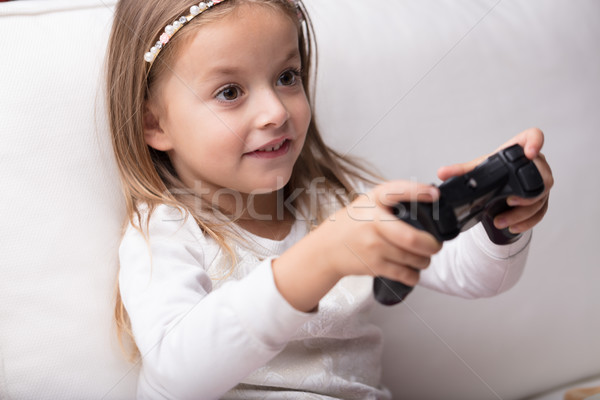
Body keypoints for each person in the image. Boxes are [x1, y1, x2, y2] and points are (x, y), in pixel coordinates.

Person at [105, 0, 554, 398]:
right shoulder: (166, 231)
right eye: (229, 92)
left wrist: (496, 220)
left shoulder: (334, 206)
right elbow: (175, 376)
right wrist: (318, 260)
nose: (276, 111)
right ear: (154, 124)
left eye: (286, 77)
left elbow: (470, 276)